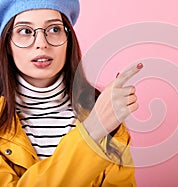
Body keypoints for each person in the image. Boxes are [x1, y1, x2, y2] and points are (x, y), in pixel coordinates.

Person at [0, 0, 143, 186]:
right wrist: (92, 131)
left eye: (54, 29)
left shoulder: (104, 111)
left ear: (68, 40)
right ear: (7, 44)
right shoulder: (98, 119)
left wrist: (100, 123)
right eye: (25, 31)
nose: (42, 44)